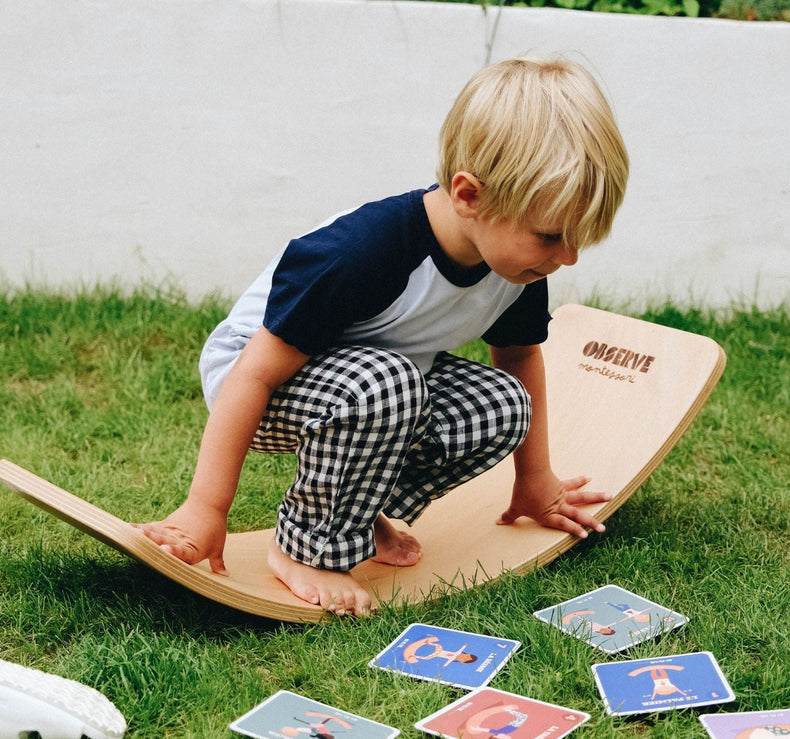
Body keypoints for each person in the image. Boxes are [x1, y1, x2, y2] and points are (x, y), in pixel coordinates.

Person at [136, 56, 629, 618]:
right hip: (257, 383)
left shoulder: (517, 267)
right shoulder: (362, 254)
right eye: (550, 236)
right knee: (386, 382)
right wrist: (206, 509)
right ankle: (307, 550)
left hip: (377, 390)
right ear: (469, 196)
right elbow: (254, 371)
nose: (565, 258)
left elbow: (517, 357)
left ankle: (351, 518)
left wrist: (536, 478)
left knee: (500, 404)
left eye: (578, 240)